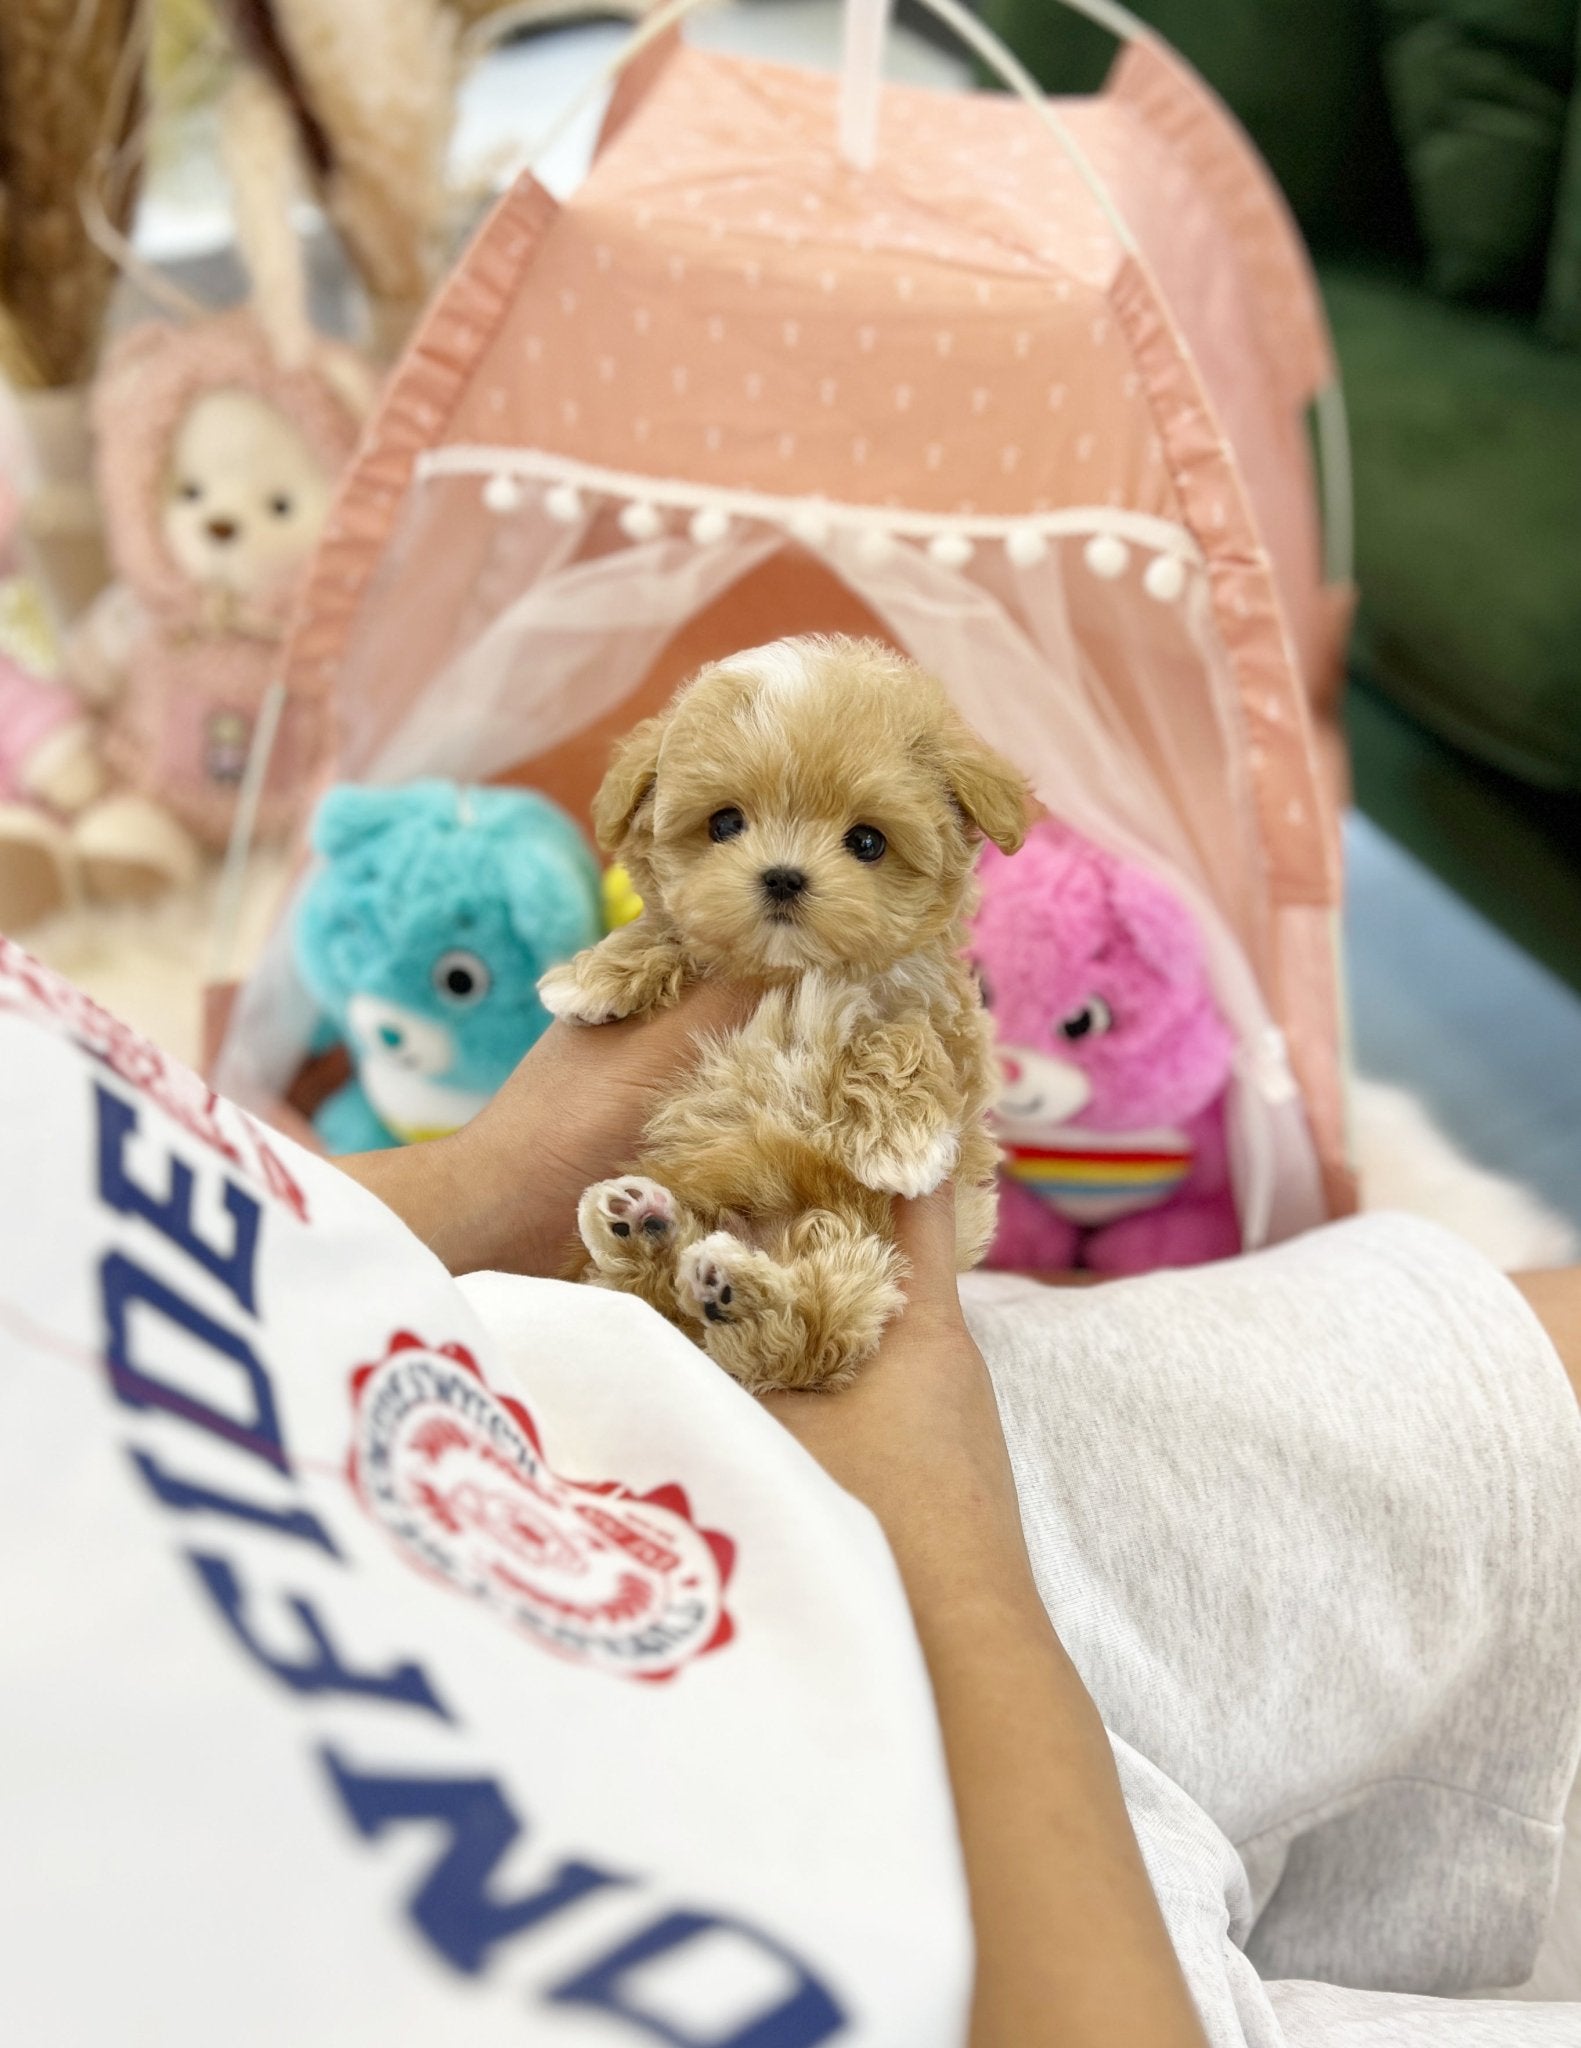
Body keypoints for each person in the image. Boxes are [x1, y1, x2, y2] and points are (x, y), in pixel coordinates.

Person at [341, 979, 1581, 2048]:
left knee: (1519, 1405)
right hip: (835, 1924)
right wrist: (933, 1547)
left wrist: (478, 1181)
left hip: (687, 1410)